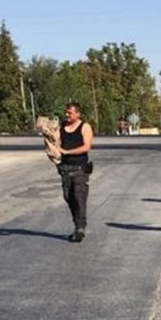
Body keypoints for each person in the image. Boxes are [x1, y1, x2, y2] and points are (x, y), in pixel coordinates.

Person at [58, 102, 94, 242]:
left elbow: (86, 147)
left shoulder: (85, 127)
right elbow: (55, 141)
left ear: (78, 114)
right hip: (65, 170)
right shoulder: (62, 127)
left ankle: (80, 228)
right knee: (69, 198)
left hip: (80, 170)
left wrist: (67, 152)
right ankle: (77, 225)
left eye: (70, 113)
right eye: (66, 112)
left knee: (80, 199)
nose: (67, 115)